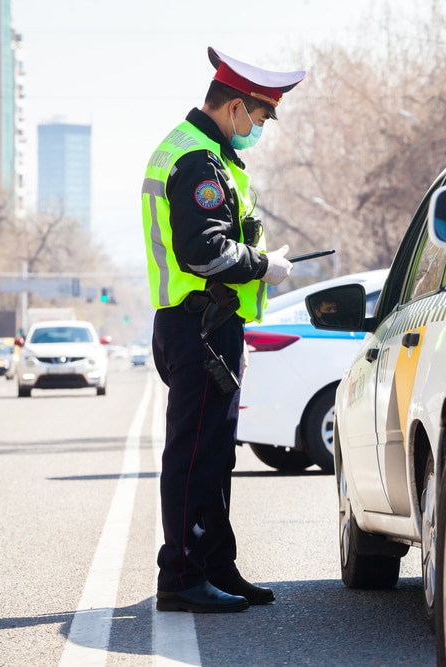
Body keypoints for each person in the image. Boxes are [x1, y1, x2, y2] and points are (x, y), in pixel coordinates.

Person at [140, 47, 305, 613]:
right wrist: (267, 266)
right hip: (200, 325)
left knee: (213, 453)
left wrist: (261, 257)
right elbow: (202, 250)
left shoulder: (211, 156)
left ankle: (215, 565)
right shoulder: (198, 161)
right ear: (236, 106)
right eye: (257, 119)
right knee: (194, 455)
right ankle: (181, 576)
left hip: (208, 325)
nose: (257, 129)